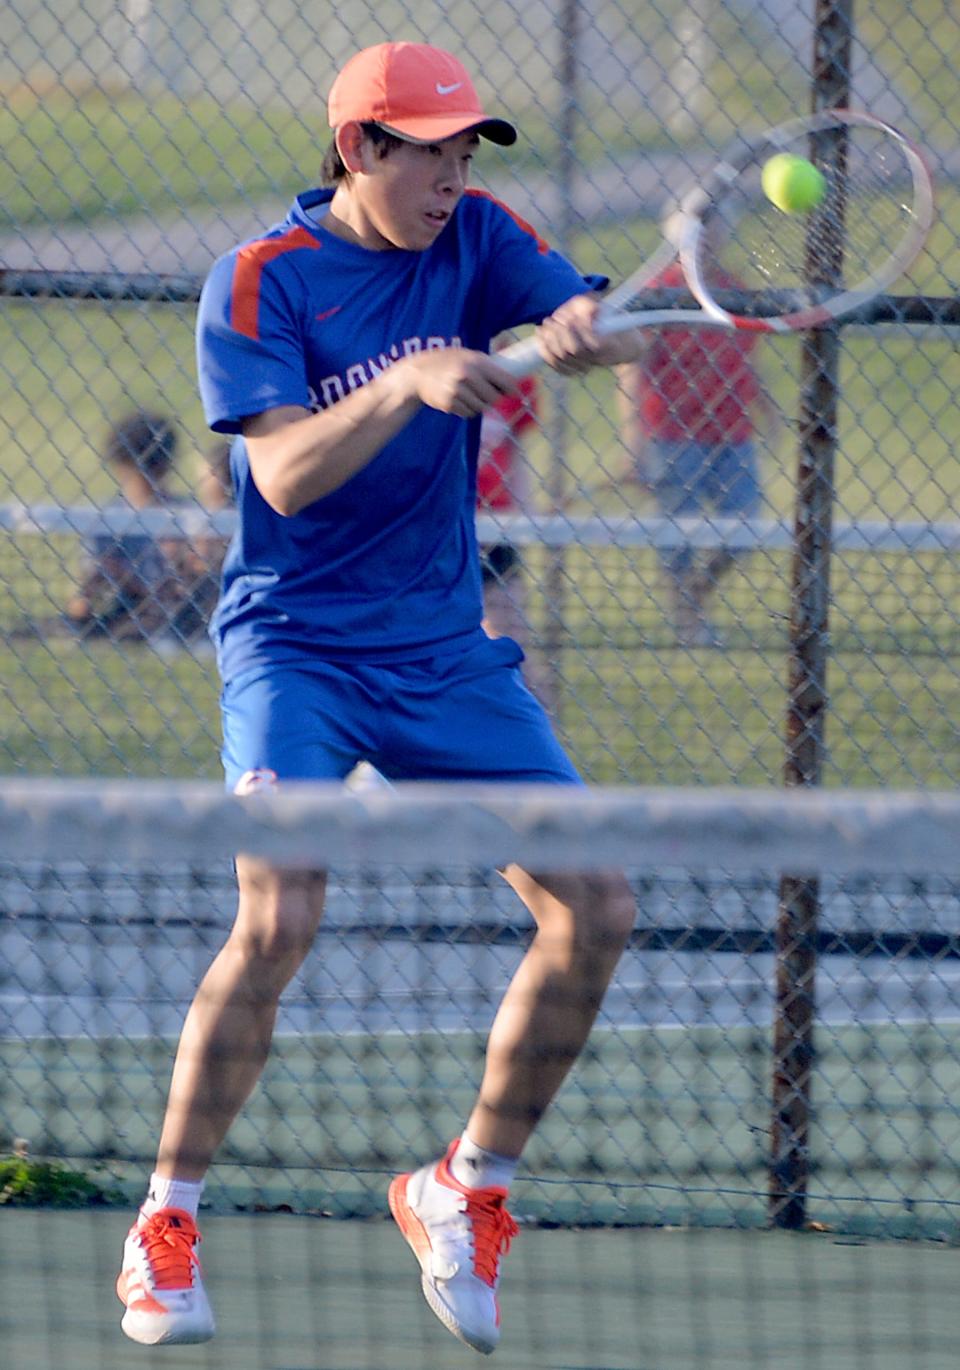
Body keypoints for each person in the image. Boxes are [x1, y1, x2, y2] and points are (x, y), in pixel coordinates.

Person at [115, 41, 644, 1356]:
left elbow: (579, 311)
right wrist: (410, 380)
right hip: (294, 643)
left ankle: (466, 1186)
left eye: (470, 153)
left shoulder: (482, 239)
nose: (456, 177)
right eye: (433, 153)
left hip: (444, 650)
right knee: (282, 908)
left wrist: (584, 328)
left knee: (601, 903)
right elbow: (284, 477)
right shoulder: (258, 281)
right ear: (360, 148)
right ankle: (166, 1222)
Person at [616, 213, 778, 646]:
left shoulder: (736, 289)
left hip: (732, 432)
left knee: (746, 524)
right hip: (673, 432)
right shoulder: (661, 291)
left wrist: (771, 412)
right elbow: (633, 368)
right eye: (696, 229)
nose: (707, 239)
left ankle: (698, 592)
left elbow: (749, 359)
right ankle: (688, 617)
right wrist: (634, 443)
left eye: (715, 227)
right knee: (679, 535)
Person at [64, 411, 222, 646]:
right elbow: (83, 600)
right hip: (128, 610)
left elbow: (193, 581)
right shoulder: (108, 521)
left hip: (183, 614)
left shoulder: (190, 518)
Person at [477, 372, 557, 709]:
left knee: (509, 636)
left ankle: (542, 725)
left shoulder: (517, 373)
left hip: (497, 525)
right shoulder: (427, 358)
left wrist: (526, 512)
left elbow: (516, 456)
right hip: (441, 523)